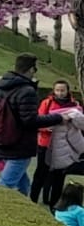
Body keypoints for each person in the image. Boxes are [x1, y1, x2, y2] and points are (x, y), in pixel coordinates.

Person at [0, 53, 78, 192]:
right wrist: (59, 118)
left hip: (1, 140)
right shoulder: (26, 91)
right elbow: (30, 120)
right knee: (5, 187)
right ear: (31, 69)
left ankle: (27, 207)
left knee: (23, 185)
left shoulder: (0, 87)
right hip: (19, 145)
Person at [32, 80, 84, 209]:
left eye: (62, 90)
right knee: (41, 173)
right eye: (57, 90)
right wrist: (45, 129)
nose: (60, 93)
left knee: (59, 176)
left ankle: (55, 205)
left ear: (67, 91)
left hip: (65, 146)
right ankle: (33, 199)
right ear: (53, 91)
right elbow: (37, 121)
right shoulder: (47, 103)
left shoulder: (75, 106)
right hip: (46, 144)